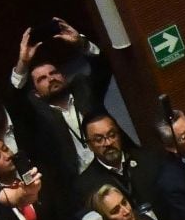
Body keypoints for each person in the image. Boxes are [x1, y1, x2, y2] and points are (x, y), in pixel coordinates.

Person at [8, 18, 113, 180]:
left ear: (63, 76)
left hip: (112, 163)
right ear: (36, 94)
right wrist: (23, 63)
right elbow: (14, 102)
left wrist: (81, 43)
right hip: (77, 183)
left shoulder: (83, 88)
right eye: (42, 79)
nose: (51, 79)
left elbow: (103, 67)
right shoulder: (36, 116)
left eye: (54, 72)